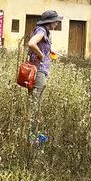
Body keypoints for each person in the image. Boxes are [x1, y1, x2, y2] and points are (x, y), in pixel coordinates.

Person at [26, 9, 62, 142]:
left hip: (39, 70)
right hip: (38, 72)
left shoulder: (44, 31)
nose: (57, 23)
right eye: (56, 21)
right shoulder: (41, 31)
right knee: (35, 104)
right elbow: (31, 43)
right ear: (50, 22)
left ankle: (33, 133)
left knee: (35, 104)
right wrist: (41, 55)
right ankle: (31, 136)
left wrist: (48, 51)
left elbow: (36, 45)